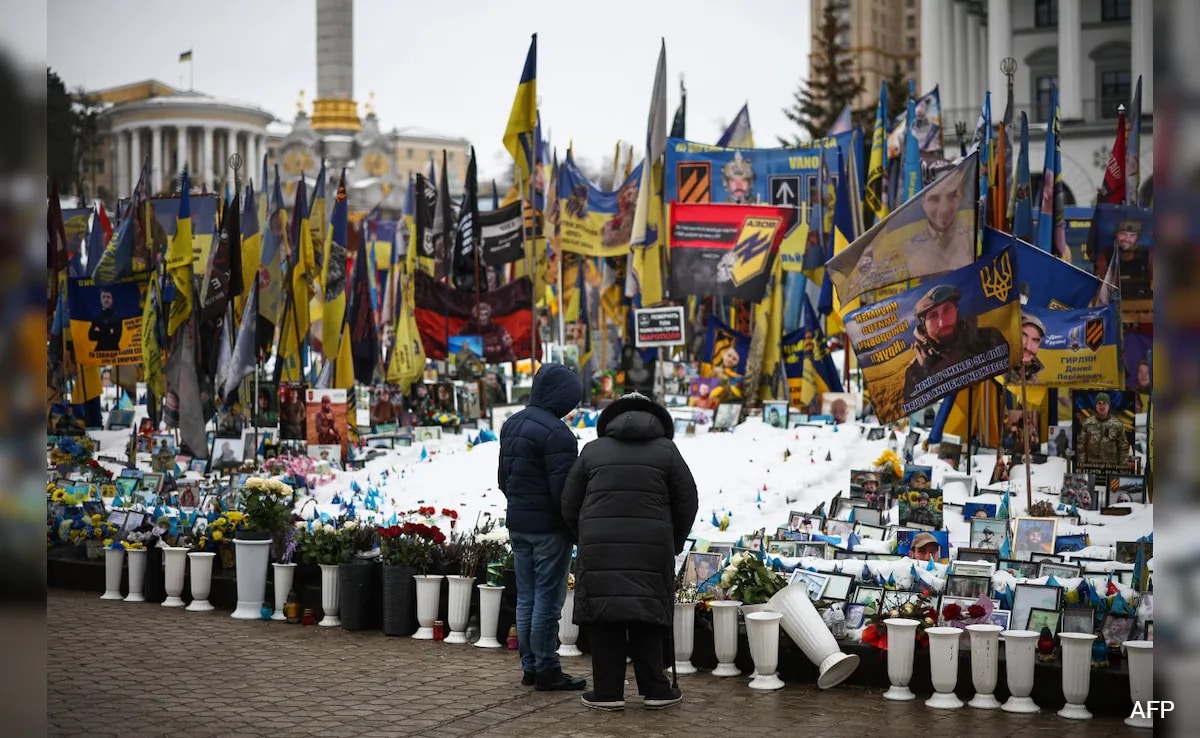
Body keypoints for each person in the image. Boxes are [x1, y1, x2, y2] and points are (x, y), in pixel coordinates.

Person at [562, 391, 699, 712]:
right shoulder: (667, 451)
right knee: (646, 615)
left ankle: (607, 692)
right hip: (651, 549)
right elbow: (687, 501)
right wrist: (673, 540)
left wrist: (585, 536)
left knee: (605, 617)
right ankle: (656, 689)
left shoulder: (593, 451)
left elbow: (568, 503)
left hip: (600, 549)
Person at [497, 363, 586, 692]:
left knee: (526, 598)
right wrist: (574, 528)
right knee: (548, 600)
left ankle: (530, 666)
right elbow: (564, 493)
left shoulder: (512, 424)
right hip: (548, 529)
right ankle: (547, 668)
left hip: (518, 524)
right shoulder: (557, 434)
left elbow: (503, 479)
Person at [902, 285, 1010, 399]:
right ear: (924, 326)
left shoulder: (989, 338)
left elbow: (1008, 377)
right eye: (933, 316)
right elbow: (919, 410)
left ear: (956, 309)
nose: (942, 322)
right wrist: (928, 376)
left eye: (947, 309)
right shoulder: (915, 372)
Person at [903, 165, 974, 276]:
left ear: (961, 197)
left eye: (952, 196)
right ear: (922, 201)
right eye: (934, 199)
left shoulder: (973, 240)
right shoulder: (907, 249)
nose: (944, 209)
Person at [1077, 392, 1131, 470]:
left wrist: (1122, 469)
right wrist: (1081, 467)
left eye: (1104, 403)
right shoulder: (1087, 423)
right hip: (1091, 467)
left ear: (1108, 406)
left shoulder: (1117, 424)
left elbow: (1123, 447)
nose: (1102, 406)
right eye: (1099, 403)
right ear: (1096, 406)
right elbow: (1081, 446)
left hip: (1111, 468)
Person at [1006, 313, 1046, 384]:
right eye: (1023, 336)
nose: (1028, 347)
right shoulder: (993, 371)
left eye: (1035, 340)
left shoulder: (1042, 376)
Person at [88, 288, 123, 353]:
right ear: (100, 300)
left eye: (108, 297)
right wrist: (110, 331)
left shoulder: (117, 318)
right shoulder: (96, 318)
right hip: (99, 353)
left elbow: (116, 338)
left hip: (114, 353)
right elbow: (91, 336)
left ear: (112, 300)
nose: (106, 299)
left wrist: (100, 330)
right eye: (103, 297)